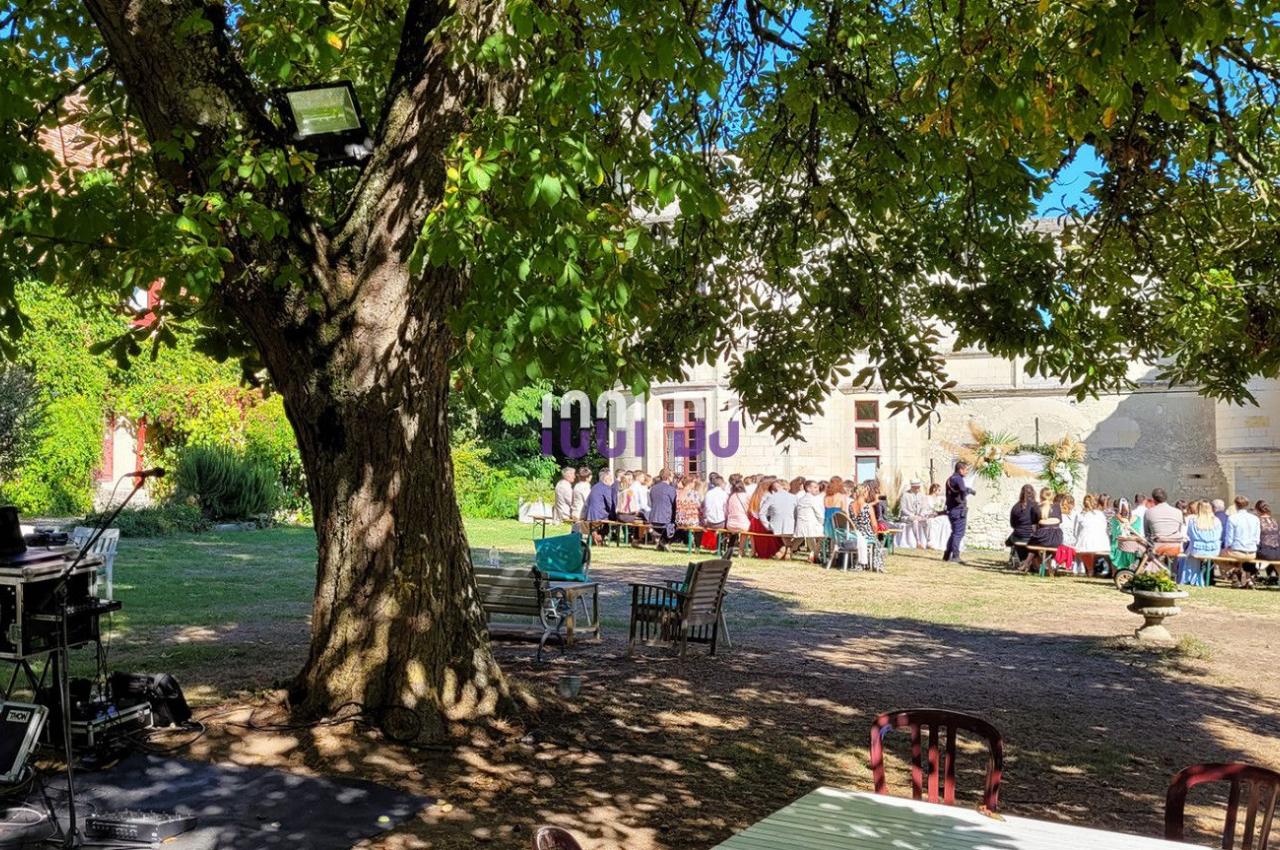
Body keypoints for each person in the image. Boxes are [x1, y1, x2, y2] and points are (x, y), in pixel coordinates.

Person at [1181, 499, 1223, 585]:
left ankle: (1189, 578)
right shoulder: (1217, 521)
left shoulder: (1193, 520)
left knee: (1188, 555)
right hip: (1213, 550)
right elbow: (1219, 536)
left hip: (1196, 549)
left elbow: (1190, 535)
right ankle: (1203, 578)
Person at [1224, 494, 1260, 587]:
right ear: (1247, 505)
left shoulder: (1232, 518)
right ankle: (1248, 579)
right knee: (1243, 556)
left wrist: (1226, 547)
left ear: (1235, 505)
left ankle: (1234, 571)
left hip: (1237, 551)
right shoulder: (1255, 519)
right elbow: (1257, 538)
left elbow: (1229, 539)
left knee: (1218, 555)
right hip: (1252, 552)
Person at [943, 461, 975, 564]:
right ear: (960, 470)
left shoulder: (950, 479)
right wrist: (968, 491)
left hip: (951, 509)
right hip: (958, 510)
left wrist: (968, 489)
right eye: (965, 470)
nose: (966, 472)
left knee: (954, 533)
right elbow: (962, 490)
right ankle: (955, 556)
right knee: (958, 533)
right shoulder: (959, 479)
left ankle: (947, 555)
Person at [1144, 488, 1186, 557]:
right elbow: (1179, 530)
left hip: (1158, 547)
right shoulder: (1178, 512)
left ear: (1153, 499)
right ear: (1166, 498)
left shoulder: (1148, 512)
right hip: (1176, 547)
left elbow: (1146, 532)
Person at [1076, 494, 1111, 574]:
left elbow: (1077, 530)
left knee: (1085, 551)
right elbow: (1104, 527)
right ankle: (1104, 570)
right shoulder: (1100, 514)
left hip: (1087, 540)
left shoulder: (1081, 515)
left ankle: (1090, 569)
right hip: (1100, 540)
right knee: (1093, 552)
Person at [763, 478, 797, 559]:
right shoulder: (794, 497)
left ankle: (783, 552)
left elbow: (762, 512)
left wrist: (767, 524)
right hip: (790, 524)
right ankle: (786, 552)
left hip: (778, 525)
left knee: (785, 536)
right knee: (786, 536)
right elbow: (796, 513)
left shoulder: (772, 497)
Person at [794, 480, 825, 563]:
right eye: (815, 487)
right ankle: (814, 555)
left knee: (801, 540)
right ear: (808, 488)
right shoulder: (813, 499)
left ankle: (790, 551)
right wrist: (823, 523)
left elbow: (796, 513)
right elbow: (819, 514)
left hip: (802, 525)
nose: (817, 489)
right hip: (811, 525)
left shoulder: (801, 499)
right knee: (823, 536)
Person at [648, 470, 678, 551]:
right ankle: (665, 542)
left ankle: (661, 544)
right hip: (665, 518)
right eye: (672, 476)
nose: (673, 478)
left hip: (653, 517)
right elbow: (674, 505)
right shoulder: (671, 489)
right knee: (679, 526)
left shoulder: (653, 488)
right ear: (668, 477)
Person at [1109, 499, 1142, 575]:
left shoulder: (1115, 519)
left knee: (1115, 546)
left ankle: (1116, 574)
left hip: (1123, 546)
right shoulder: (1137, 519)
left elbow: (1116, 535)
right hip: (1131, 546)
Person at [1008, 484, 1039, 563]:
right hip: (1032, 537)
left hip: (1019, 536)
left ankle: (1018, 557)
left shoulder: (1015, 507)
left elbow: (1013, 524)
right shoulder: (1036, 506)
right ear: (1033, 493)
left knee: (1012, 537)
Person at [585, 469, 616, 545]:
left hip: (590, 515)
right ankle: (599, 537)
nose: (611, 481)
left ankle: (595, 535)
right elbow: (610, 504)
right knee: (610, 521)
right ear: (606, 479)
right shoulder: (606, 488)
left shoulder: (595, 486)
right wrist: (615, 514)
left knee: (606, 521)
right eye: (610, 479)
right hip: (599, 516)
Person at [899, 480, 932, 550]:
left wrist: (921, 514)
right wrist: (912, 515)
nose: (917, 489)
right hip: (907, 516)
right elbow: (903, 508)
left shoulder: (922, 495)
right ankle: (918, 543)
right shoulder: (905, 495)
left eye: (918, 487)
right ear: (912, 487)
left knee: (927, 521)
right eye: (916, 487)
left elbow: (925, 507)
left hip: (919, 516)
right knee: (915, 521)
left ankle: (928, 542)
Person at [725, 481, 751, 557]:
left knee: (741, 528)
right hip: (742, 523)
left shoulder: (731, 497)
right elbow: (750, 510)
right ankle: (740, 551)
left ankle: (730, 549)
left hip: (730, 524)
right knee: (745, 530)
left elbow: (727, 510)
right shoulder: (747, 496)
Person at [675, 474, 702, 543]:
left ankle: (688, 540)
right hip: (690, 521)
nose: (694, 484)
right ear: (690, 483)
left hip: (678, 520)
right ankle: (696, 544)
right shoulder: (694, 493)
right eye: (694, 482)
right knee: (703, 524)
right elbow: (699, 506)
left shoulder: (677, 492)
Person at [571, 466, 592, 531]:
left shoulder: (577, 486)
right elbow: (588, 501)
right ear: (588, 477)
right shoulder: (585, 487)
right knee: (580, 535)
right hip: (581, 514)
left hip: (575, 512)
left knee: (575, 532)